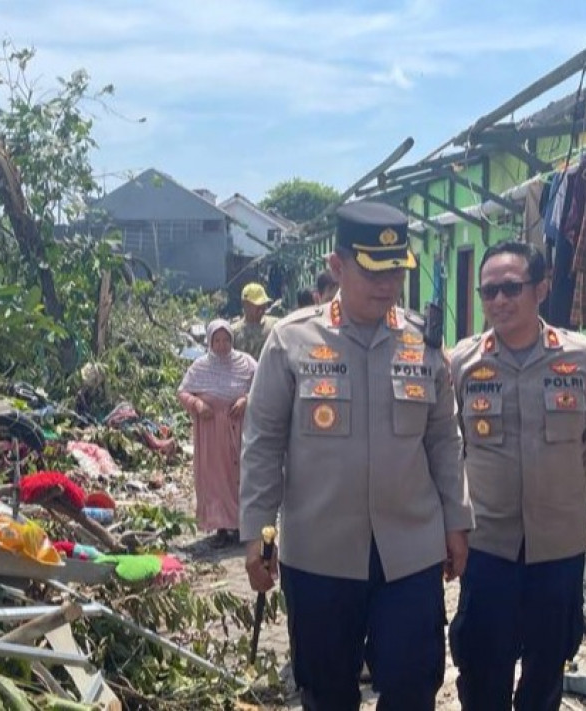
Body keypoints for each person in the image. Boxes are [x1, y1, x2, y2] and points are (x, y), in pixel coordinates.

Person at [241, 200, 472, 710]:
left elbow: (443, 439)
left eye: (395, 269)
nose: (386, 283)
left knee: (414, 686)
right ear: (337, 266)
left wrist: (456, 520)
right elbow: (263, 441)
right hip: (319, 551)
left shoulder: (423, 343)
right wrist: (258, 533)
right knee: (326, 691)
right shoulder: (291, 341)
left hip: (409, 550)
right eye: (372, 269)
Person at [447, 241, 586, 710]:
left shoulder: (584, 360)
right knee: (482, 665)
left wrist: (557, 493)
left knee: (547, 665)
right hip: (487, 546)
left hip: (557, 547)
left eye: (510, 288)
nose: (499, 300)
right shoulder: (463, 364)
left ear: (540, 288)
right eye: (489, 291)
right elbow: (447, 444)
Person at [177, 320, 256, 546]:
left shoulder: (247, 363)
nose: (222, 345)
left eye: (226, 340)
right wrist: (198, 405)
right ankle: (221, 527)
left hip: (239, 429)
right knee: (213, 478)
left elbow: (261, 384)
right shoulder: (200, 367)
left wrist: (245, 399)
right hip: (210, 434)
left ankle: (240, 525)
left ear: (232, 340)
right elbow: (183, 392)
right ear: (210, 342)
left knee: (239, 476)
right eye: (217, 341)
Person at [231, 282, 278, 358]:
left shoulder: (275, 326)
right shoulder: (233, 332)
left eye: (264, 305)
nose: (262, 309)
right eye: (258, 306)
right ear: (245, 304)